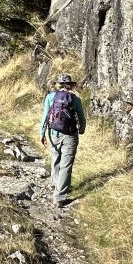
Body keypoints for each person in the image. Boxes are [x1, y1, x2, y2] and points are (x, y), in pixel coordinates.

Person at [39, 73, 87, 207]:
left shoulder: (50, 97)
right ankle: (59, 197)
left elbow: (45, 116)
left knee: (56, 159)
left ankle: (55, 185)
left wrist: (42, 134)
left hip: (53, 133)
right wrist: (82, 129)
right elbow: (81, 118)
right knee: (66, 164)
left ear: (58, 84)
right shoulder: (75, 99)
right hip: (70, 135)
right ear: (70, 85)